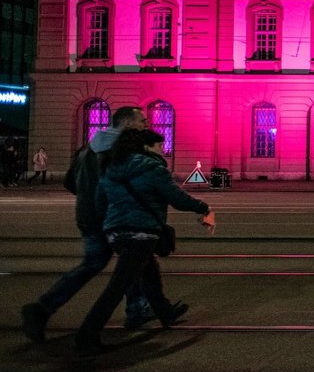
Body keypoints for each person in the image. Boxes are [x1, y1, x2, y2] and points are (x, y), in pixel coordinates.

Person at [20, 107, 155, 342]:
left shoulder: (87, 147)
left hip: (88, 217)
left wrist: (88, 198)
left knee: (98, 264)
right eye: (142, 120)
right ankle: (136, 310)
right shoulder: (121, 150)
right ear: (128, 124)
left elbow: (70, 182)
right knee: (133, 261)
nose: (147, 124)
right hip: (113, 218)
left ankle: (43, 309)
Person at [75, 128, 215, 355]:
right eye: (159, 146)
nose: (162, 149)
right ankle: (86, 336)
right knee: (117, 287)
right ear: (146, 147)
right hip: (141, 234)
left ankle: (165, 312)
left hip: (116, 233)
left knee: (149, 272)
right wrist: (203, 207)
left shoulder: (111, 168)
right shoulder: (152, 168)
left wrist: (112, 223)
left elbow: (100, 201)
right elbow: (176, 198)